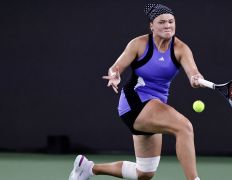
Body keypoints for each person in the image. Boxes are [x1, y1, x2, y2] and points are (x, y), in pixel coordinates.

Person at [69, 3, 204, 180]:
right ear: (152, 26)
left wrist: (195, 78)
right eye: (162, 22)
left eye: (171, 21)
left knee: (144, 173)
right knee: (184, 127)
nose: (168, 26)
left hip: (155, 109)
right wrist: (114, 75)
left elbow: (193, 73)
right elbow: (115, 69)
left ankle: (88, 168)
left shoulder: (181, 49)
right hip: (134, 104)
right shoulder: (139, 44)